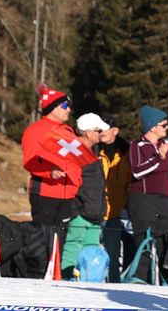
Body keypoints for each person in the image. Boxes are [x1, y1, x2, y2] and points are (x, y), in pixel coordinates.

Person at [128, 105, 168, 283]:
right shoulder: (137, 145)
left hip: (165, 201)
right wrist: (159, 158)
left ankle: (165, 280)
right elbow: (137, 172)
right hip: (143, 199)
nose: (167, 128)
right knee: (144, 242)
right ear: (152, 126)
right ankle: (140, 280)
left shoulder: (164, 147)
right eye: (164, 125)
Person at [21, 84, 80, 241]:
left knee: (59, 241)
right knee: (43, 241)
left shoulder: (68, 130)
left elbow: (75, 159)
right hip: (45, 193)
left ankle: (56, 266)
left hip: (67, 195)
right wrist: (49, 172)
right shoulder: (35, 131)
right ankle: (41, 267)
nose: (69, 109)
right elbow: (29, 161)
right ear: (53, 108)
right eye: (65, 105)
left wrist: (77, 182)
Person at [61, 112, 109, 279]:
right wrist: (78, 208)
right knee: (73, 247)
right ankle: (66, 280)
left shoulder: (93, 153)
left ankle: (90, 283)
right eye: (97, 130)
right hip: (80, 213)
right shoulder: (73, 150)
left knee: (92, 251)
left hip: (95, 214)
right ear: (87, 132)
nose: (100, 134)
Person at [97, 116, 133, 283]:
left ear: (115, 131)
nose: (101, 131)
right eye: (99, 128)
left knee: (113, 256)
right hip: (94, 210)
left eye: (105, 128)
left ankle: (116, 285)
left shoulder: (127, 153)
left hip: (117, 213)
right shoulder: (94, 151)